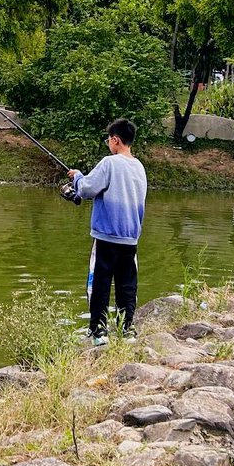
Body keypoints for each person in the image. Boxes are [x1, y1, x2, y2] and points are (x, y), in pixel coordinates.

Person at [68, 118, 148, 346]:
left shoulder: (109, 163)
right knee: (127, 284)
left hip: (105, 236)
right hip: (131, 238)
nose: (108, 144)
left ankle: (99, 332)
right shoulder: (139, 167)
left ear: (115, 140)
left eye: (108, 140)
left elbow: (86, 189)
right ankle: (127, 330)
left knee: (100, 284)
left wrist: (77, 177)